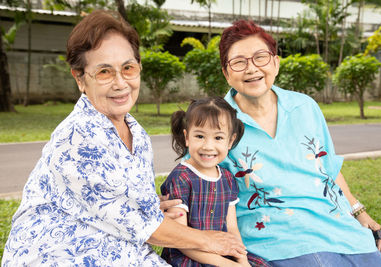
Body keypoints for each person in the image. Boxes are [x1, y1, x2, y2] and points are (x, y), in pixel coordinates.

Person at [1, 11, 247, 266]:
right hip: (60, 254)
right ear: (80, 78)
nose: (121, 83)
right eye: (105, 72)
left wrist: (154, 205)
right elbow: (141, 226)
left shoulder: (136, 133)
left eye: (128, 68)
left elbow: (132, 205)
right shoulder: (76, 138)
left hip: (118, 246)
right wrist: (209, 240)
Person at [217, 20, 381, 266]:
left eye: (260, 57)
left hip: (338, 226)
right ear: (226, 73)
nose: (251, 68)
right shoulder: (217, 121)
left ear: (275, 63)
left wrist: (358, 211)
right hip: (276, 236)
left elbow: (327, 165)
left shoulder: (305, 106)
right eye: (239, 62)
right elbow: (200, 177)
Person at [160, 97, 268, 267]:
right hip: (190, 256)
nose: (208, 146)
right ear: (187, 137)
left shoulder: (227, 178)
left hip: (222, 253)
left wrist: (242, 260)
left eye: (218, 138)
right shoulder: (181, 178)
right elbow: (180, 238)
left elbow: (232, 229)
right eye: (200, 136)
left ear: (230, 141)